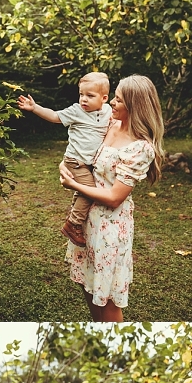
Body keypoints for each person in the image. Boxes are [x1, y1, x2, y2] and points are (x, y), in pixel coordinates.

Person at [59, 74, 164, 322]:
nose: (112, 104)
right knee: (87, 284)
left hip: (110, 227)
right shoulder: (111, 124)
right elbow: (82, 144)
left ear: (135, 107)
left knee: (106, 299)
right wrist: (68, 164)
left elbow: (115, 197)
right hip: (87, 220)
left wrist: (72, 184)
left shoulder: (141, 147)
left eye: (118, 100)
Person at [18, 73, 112, 247]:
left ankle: (73, 213)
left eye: (90, 96)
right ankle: (73, 224)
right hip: (75, 161)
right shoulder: (76, 111)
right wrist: (35, 107)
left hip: (89, 163)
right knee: (89, 190)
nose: (84, 99)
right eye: (81, 94)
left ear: (104, 98)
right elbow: (54, 116)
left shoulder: (107, 112)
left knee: (83, 191)